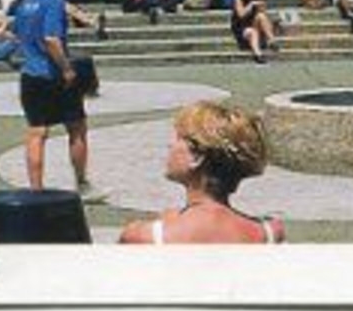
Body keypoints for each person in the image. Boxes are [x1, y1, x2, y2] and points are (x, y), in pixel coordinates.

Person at [119, 101, 284, 245]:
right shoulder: (270, 234)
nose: (170, 145)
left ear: (197, 157)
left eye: (178, 139)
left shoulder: (144, 237)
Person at [12, 0, 101, 201]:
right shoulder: (55, 3)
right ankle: (82, 184)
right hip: (55, 75)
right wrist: (66, 69)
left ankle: (36, 191)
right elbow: (51, 39)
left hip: (30, 75)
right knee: (77, 128)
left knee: (36, 133)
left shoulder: (25, 3)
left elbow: (18, 34)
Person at [230, 0, 278, 64]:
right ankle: (257, 54)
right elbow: (241, 15)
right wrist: (251, 4)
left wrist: (261, 7)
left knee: (261, 16)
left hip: (254, 23)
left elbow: (262, 14)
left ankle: (272, 41)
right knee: (252, 32)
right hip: (242, 26)